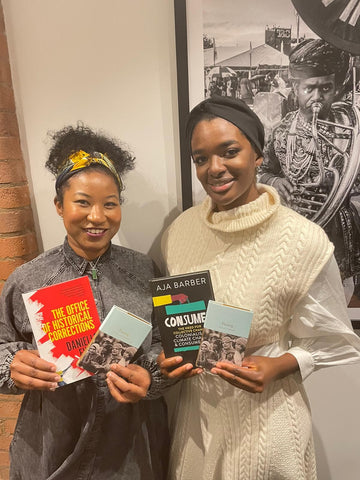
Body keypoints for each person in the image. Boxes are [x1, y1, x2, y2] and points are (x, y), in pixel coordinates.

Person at [158, 95, 360, 480]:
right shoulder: (180, 232)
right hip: (197, 428)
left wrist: (279, 365)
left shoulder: (303, 240)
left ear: (258, 155)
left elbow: (336, 340)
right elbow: (181, 323)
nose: (214, 168)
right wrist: (173, 359)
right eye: (200, 158)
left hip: (268, 432)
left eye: (229, 151)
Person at [0, 125, 169, 480]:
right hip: (52, 446)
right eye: (82, 202)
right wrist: (11, 365)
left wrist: (150, 377)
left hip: (132, 450)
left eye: (110, 204)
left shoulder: (144, 270)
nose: (97, 216)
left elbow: (165, 341)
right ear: (59, 206)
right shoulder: (28, 279)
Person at [259, 39, 360, 297]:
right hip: (293, 231)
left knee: (337, 298)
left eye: (326, 88)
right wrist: (274, 182)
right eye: (310, 88)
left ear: (336, 88)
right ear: (295, 87)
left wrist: (345, 181)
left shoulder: (349, 129)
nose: (318, 97)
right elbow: (263, 170)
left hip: (336, 230)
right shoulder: (281, 131)